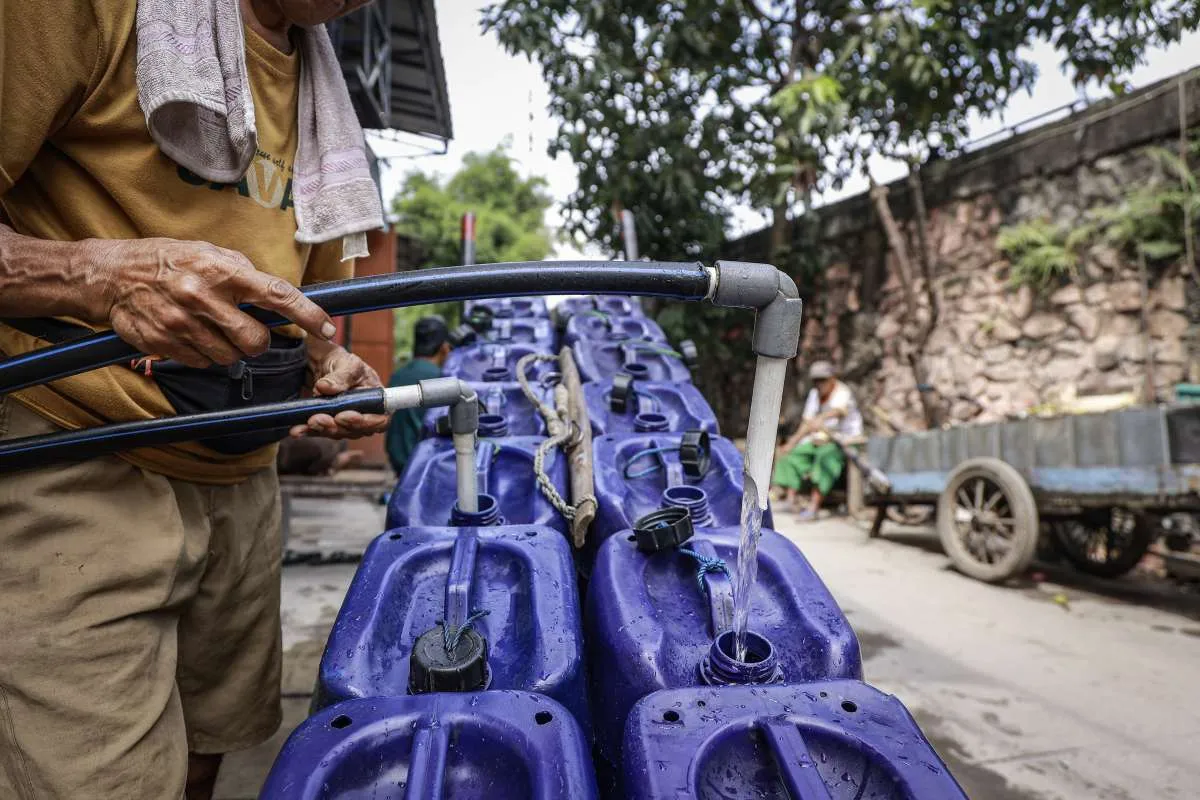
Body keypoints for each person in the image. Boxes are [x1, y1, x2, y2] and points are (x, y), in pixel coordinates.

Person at [0, 2, 386, 798]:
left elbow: (305, 317)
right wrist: (94, 275)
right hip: (76, 457)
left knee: (208, 753)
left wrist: (335, 369)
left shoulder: (320, 90)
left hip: (242, 483)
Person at [773, 361, 863, 520]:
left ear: (832, 378)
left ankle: (813, 507)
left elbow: (838, 411)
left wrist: (820, 419)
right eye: (816, 380)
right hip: (818, 440)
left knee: (825, 458)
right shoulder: (815, 394)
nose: (819, 384)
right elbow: (807, 423)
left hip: (843, 440)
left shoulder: (842, 392)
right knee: (791, 455)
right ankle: (790, 499)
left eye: (823, 380)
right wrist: (792, 443)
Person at [385, 316, 452, 476]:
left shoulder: (397, 375)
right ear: (444, 348)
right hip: (425, 465)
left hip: (398, 463)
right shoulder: (442, 379)